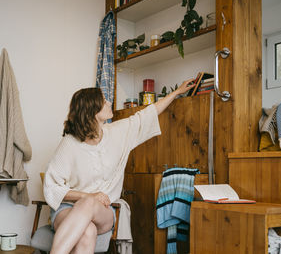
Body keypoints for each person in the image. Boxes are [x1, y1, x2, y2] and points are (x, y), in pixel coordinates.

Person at [43, 79, 195, 254]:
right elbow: (51, 186)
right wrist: (88, 196)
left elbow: (148, 114)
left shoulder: (118, 132)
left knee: (89, 205)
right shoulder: (69, 144)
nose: (109, 102)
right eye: (103, 100)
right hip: (68, 209)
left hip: (104, 211)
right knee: (88, 230)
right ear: (92, 111)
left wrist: (176, 92)